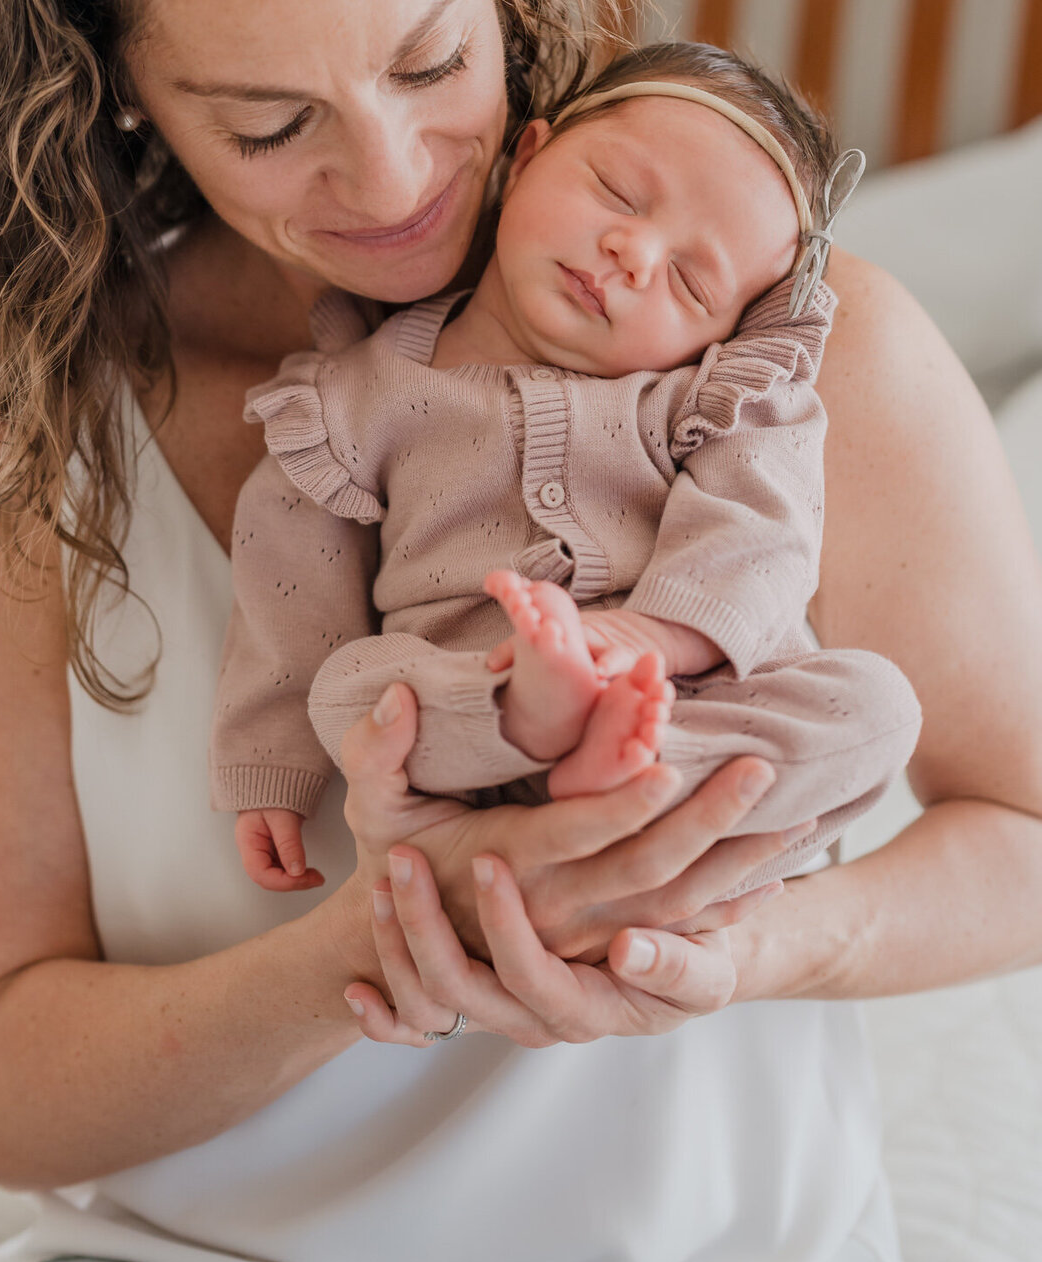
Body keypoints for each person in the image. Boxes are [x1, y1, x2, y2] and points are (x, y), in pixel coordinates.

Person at [0, 0, 1039, 1262]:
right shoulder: (24, 460)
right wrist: (379, 949)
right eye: (269, 121)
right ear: (109, 93)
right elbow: (8, 1084)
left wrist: (751, 941)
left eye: (432, 58)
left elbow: (1022, 834)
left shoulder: (797, 349)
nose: (395, 174)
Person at [213, 44, 920, 900]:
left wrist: (649, 639)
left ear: (727, 335)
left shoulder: (711, 402)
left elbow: (763, 535)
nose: (632, 251)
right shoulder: (358, 395)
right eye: (619, 194)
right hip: (468, 716)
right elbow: (288, 581)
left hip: (681, 702)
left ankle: (648, 771)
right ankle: (538, 716)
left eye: (692, 282)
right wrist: (268, 765)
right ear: (529, 154)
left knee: (878, 703)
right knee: (350, 688)